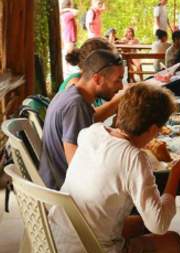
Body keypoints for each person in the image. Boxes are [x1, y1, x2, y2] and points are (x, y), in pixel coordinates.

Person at [48, 83, 180, 253]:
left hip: (56, 249)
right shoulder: (134, 158)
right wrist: (174, 177)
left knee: (142, 223)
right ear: (152, 129)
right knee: (172, 242)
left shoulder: (92, 132)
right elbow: (159, 224)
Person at [40, 50, 125, 190]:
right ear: (97, 79)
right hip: (65, 192)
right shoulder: (76, 106)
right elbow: (76, 165)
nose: (121, 86)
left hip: (58, 180)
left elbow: (92, 119)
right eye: (117, 80)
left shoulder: (71, 93)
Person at [59, 38, 122, 115]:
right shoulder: (75, 85)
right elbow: (88, 117)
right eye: (110, 61)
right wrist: (117, 100)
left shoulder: (88, 83)